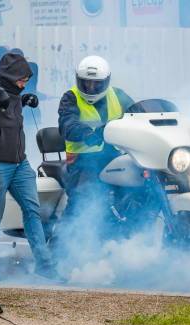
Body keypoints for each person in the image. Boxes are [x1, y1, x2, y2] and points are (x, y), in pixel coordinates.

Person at [0, 52, 56, 278]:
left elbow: (10, 113)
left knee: (32, 210)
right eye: (21, 80)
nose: (23, 83)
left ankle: (45, 266)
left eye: (26, 80)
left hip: (19, 164)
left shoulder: (16, 93)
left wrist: (24, 100)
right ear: (8, 77)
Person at [52, 56, 133, 250]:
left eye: (96, 84)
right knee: (81, 201)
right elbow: (67, 123)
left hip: (115, 156)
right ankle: (57, 253)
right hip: (82, 161)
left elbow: (136, 113)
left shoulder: (119, 96)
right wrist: (87, 133)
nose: (90, 88)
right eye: (86, 83)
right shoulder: (71, 97)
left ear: (106, 81)